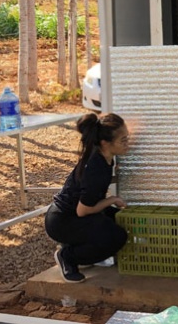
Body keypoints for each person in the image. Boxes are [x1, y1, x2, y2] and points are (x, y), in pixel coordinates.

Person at [45, 112, 130, 283]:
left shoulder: (104, 157)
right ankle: (68, 256)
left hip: (73, 214)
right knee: (115, 237)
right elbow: (83, 210)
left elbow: (93, 188)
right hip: (63, 221)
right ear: (105, 143)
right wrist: (112, 200)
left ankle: (78, 248)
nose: (127, 144)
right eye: (123, 140)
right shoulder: (96, 167)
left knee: (119, 220)